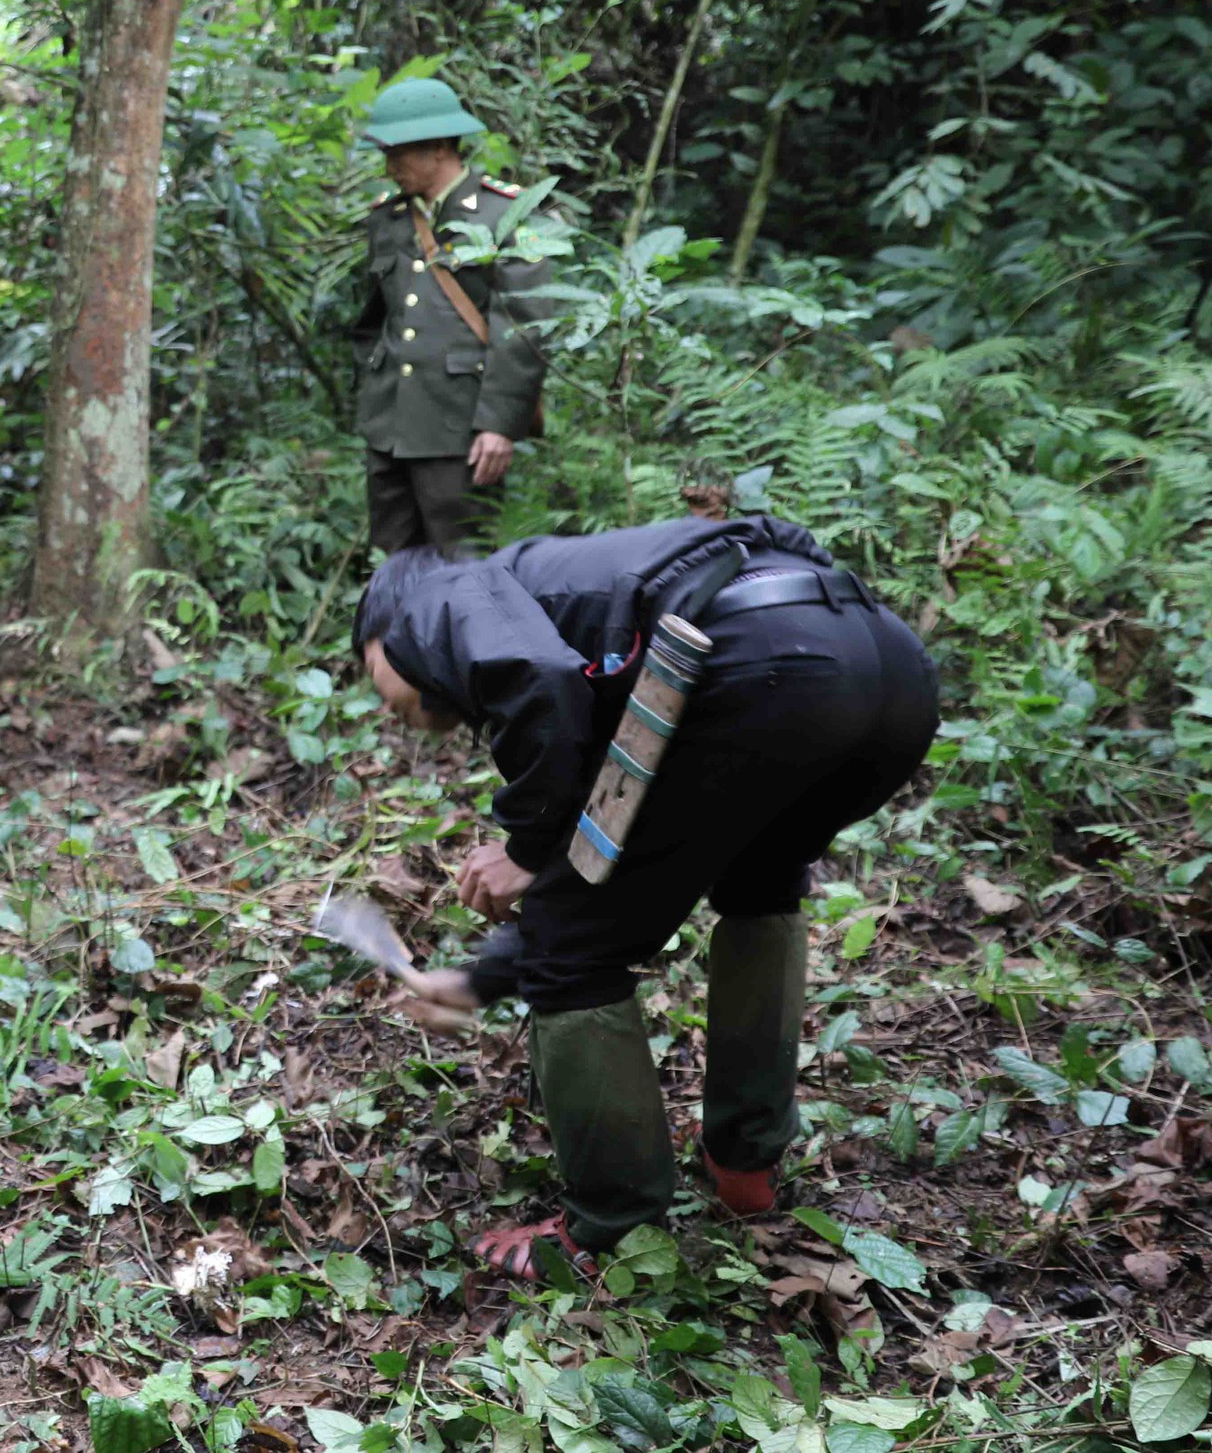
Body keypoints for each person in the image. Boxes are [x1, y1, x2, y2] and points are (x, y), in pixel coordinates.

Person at [350, 514, 939, 1277]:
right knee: (758, 882)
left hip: (759, 666)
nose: (386, 700)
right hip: (885, 669)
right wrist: (476, 981)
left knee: (574, 948)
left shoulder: (435, 595)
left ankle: (611, 1227)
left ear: (388, 629)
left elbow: (537, 679)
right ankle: (744, 1167)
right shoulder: (571, 605)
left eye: (373, 672)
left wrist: (526, 848)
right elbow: (612, 862)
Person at [348, 76, 554, 557]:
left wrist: (499, 424)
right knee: (392, 567)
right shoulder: (388, 218)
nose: (389, 166)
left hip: (461, 429)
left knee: (463, 569)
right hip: (390, 424)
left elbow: (525, 326)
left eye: (398, 153)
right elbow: (373, 318)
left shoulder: (505, 214)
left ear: (438, 148)